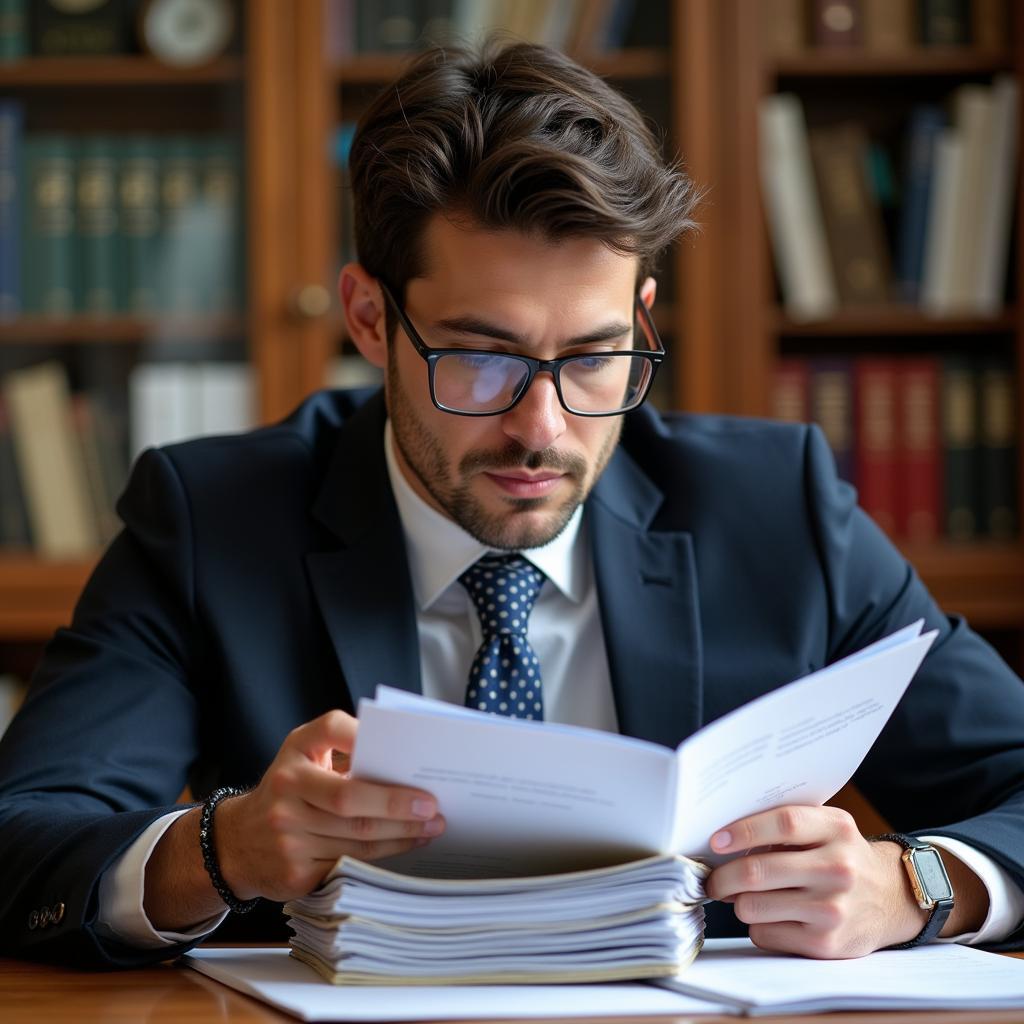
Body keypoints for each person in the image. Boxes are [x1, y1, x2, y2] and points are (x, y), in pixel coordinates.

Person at [1, 41, 1023, 969]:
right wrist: (222, 850)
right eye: (480, 358)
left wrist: (919, 885)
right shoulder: (211, 519)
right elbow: (22, 836)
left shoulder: (775, 507)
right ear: (368, 316)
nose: (541, 427)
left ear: (641, 315)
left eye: (592, 357)